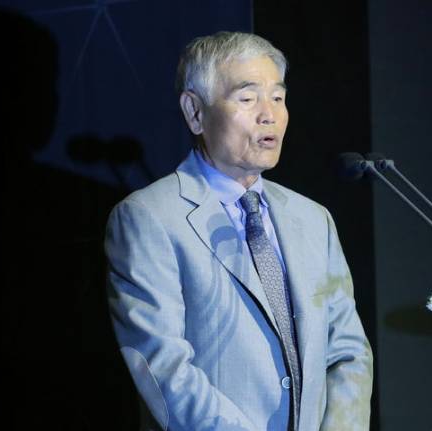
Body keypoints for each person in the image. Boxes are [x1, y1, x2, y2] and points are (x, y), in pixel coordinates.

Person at [105, 31, 373, 431]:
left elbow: (348, 352)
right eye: (248, 99)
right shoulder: (147, 218)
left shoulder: (314, 219)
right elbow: (163, 366)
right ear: (195, 112)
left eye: (278, 97)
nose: (269, 115)